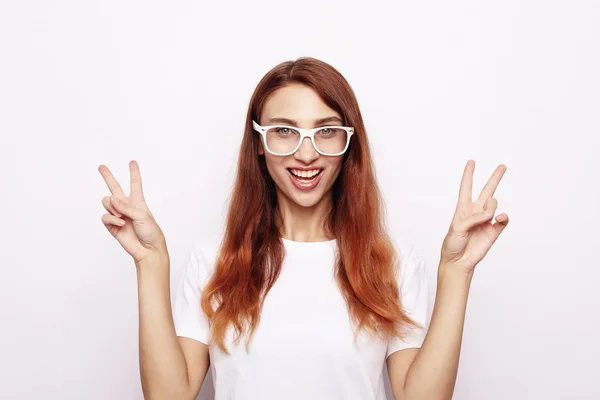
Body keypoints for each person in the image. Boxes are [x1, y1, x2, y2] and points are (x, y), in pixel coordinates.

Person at [98, 57, 509, 400]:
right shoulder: (213, 261)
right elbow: (170, 395)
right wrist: (151, 262)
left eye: (326, 130)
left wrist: (457, 272)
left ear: (349, 144)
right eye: (284, 131)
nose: (307, 152)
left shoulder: (393, 262)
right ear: (258, 143)